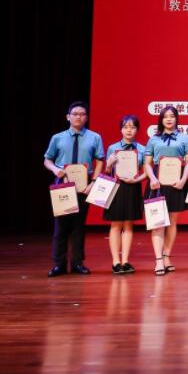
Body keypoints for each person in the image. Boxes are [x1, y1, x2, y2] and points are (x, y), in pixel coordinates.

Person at [43, 101, 105, 277]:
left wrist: (94, 181)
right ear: (68, 117)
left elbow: (100, 160)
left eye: (82, 114)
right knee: (61, 225)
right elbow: (47, 159)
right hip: (63, 183)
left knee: (79, 225)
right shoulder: (58, 138)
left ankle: (77, 263)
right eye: (75, 114)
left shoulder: (94, 137)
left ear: (86, 117)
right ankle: (59, 264)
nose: (79, 117)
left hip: (84, 184)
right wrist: (55, 169)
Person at [143, 105, 188, 275]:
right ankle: (158, 260)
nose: (169, 119)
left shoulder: (185, 139)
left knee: (172, 221)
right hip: (157, 183)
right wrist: (152, 178)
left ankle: (166, 256)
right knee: (158, 223)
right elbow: (147, 163)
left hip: (176, 182)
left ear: (176, 118)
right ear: (161, 120)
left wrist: (183, 180)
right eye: (165, 117)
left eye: (172, 116)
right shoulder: (154, 139)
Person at [102, 114, 146, 274]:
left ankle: (125, 261)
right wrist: (108, 165)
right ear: (121, 129)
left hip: (133, 188)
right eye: (126, 127)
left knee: (128, 225)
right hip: (116, 188)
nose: (129, 130)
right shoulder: (112, 148)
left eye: (132, 127)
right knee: (116, 225)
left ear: (137, 129)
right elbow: (107, 172)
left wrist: (137, 180)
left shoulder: (142, 149)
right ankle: (116, 262)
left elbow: (146, 172)